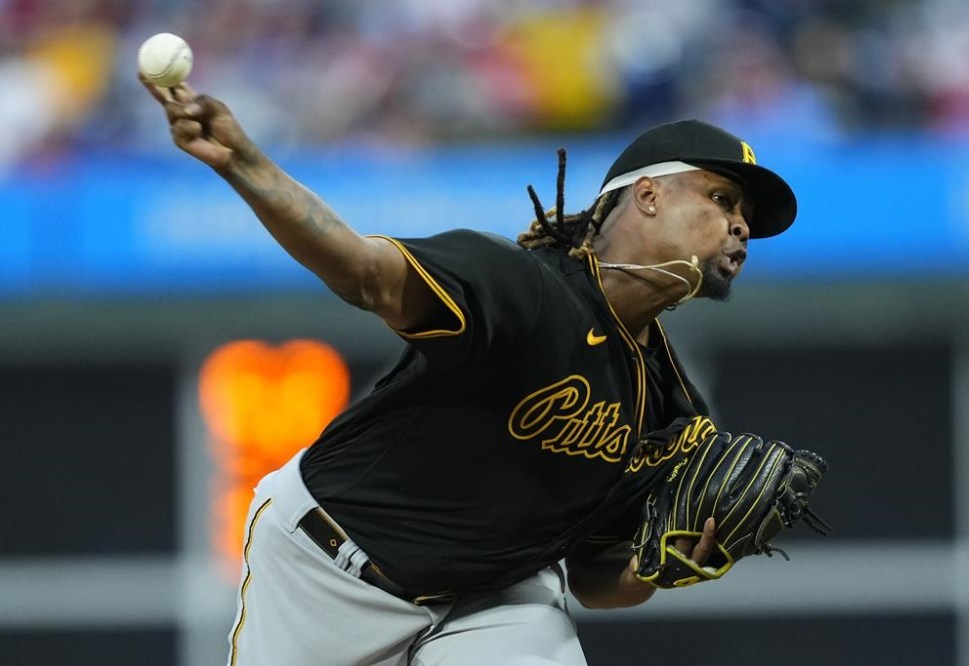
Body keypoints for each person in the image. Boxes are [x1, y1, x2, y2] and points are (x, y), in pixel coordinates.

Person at [140, 76, 796, 666]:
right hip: (328, 569)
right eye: (722, 198)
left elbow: (594, 576)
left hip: (493, 598)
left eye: (746, 218)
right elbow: (365, 272)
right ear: (647, 194)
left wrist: (658, 569)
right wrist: (246, 165)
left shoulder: (673, 410)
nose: (740, 226)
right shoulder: (520, 286)